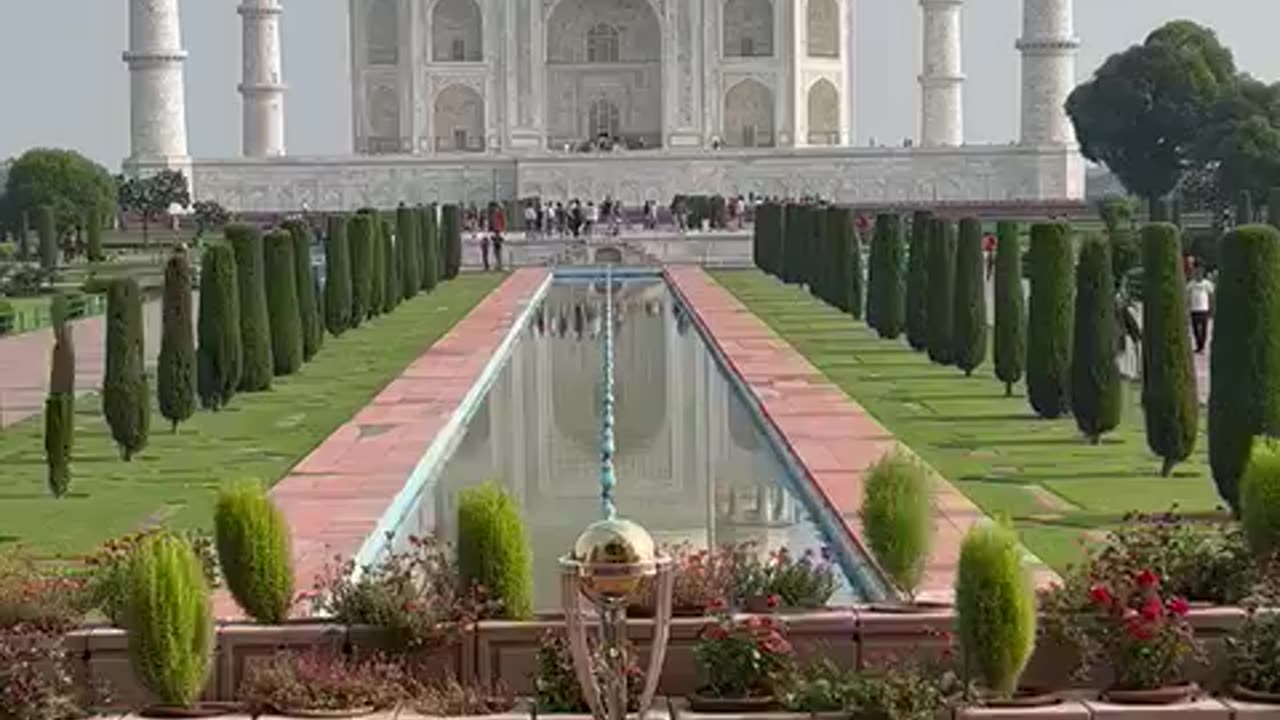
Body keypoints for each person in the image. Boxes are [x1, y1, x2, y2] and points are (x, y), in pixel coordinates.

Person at [1187, 269, 1214, 354]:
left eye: (1200, 273)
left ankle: (1202, 347)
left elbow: (1211, 295)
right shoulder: (1191, 284)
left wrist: (1211, 307)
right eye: (1196, 273)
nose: (1198, 275)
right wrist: (1187, 307)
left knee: (1203, 330)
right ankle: (1198, 346)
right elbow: (1187, 295)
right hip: (1194, 309)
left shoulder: (1207, 284)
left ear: (1202, 274)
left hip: (1204, 309)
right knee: (1195, 330)